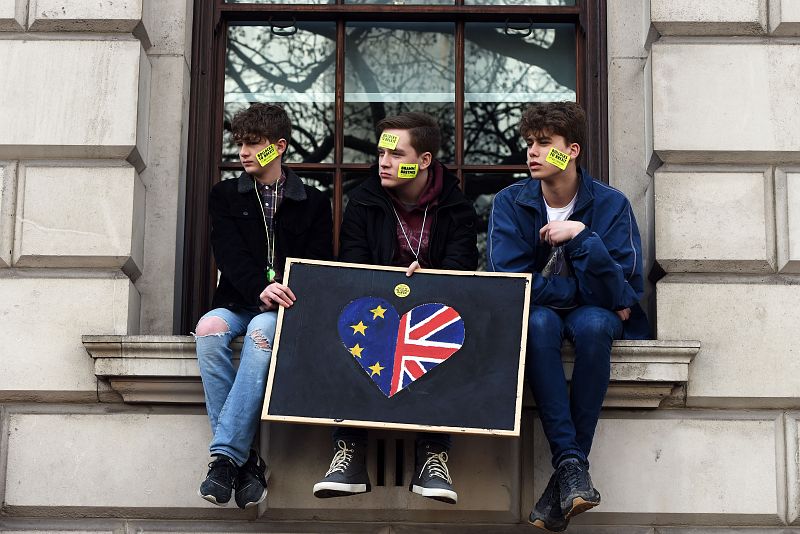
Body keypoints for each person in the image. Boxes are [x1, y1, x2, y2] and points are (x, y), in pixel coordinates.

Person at [488, 102, 649, 531]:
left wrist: (582, 237)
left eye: (545, 143)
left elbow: (625, 291)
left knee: (596, 324)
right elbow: (511, 281)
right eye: (530, 143)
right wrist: (579, 290)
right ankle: (573, 468)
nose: (533, 152)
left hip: (595, 317)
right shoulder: (510, 203)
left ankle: (566, 470)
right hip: (545, 314)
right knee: (539, 321)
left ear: (572, 150)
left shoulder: (611, 205)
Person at [312, 112, 478, 505]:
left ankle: (433, 456)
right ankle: (349, 451)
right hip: (377, 314)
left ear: (423, 160)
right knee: (349, 324)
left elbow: (463, 273)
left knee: (448, 331)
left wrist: (432, 277)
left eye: (395, 153)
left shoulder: (458, 208)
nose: (383, 160)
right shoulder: (364, 202)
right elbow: (352, 268)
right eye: (381, 151)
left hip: (432, 315)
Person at [194, 103, 333, 509]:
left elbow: (319, 261)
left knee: (262, 332)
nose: (244, 152)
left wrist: (283, 293)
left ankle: (224, 460)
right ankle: (244, 459)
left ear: (279, 146)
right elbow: (230, 254)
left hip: (284, 310)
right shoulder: (225, 195)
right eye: (240, 143)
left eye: (254, 144)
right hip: (239, 300)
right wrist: (261, 288)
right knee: (208, 330)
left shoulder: (313, 202)